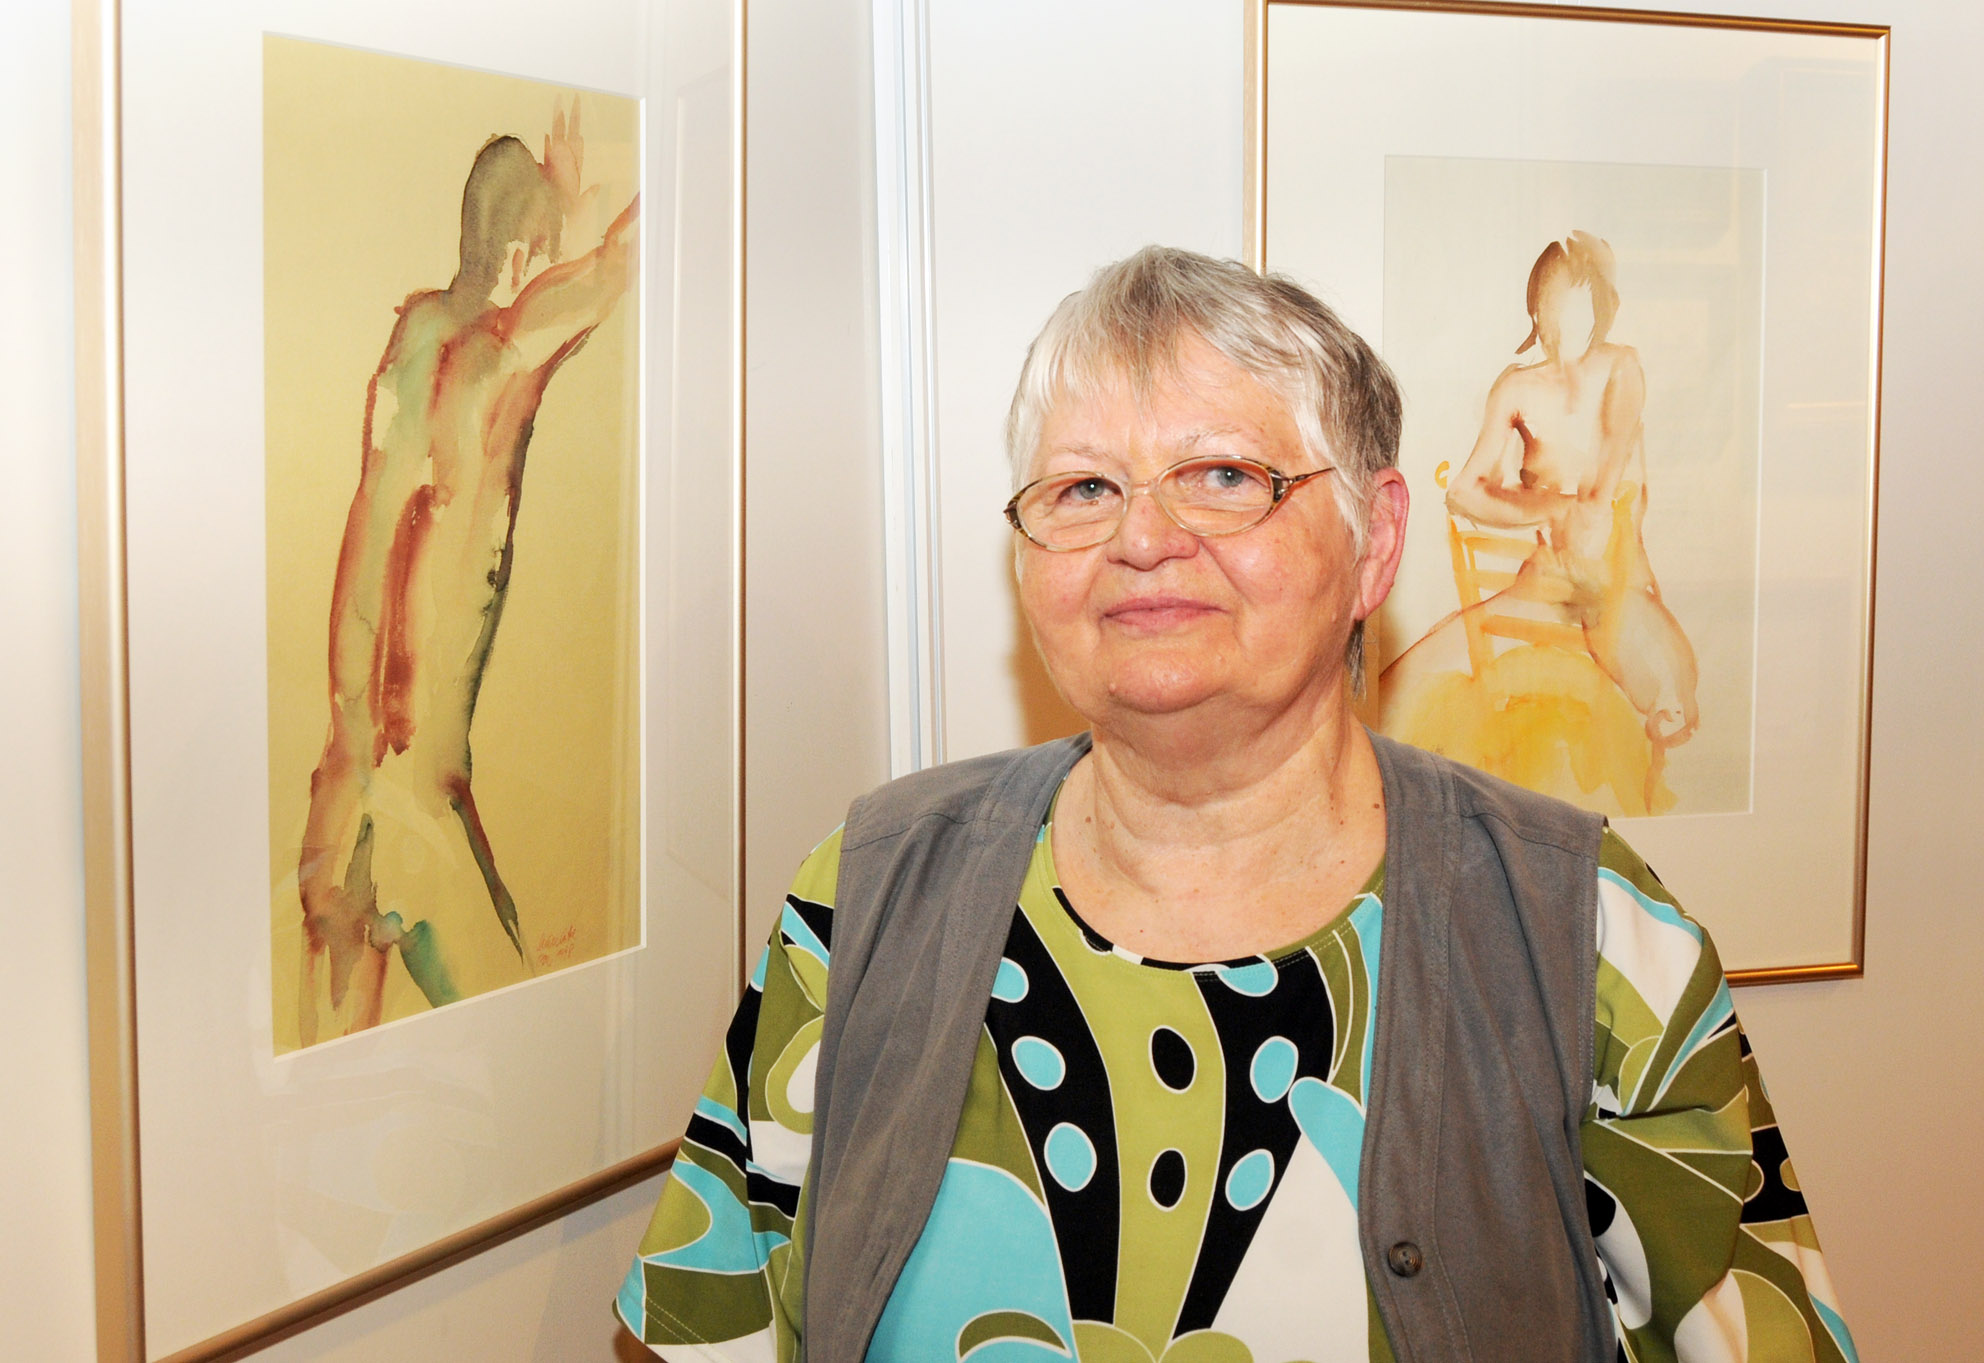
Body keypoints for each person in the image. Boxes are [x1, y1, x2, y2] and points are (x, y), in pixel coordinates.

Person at [616, 248, 1854, 1362]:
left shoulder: (1582, 930)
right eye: (1083, 488)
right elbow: (706, 1323)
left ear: (1374, 542)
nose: (1142, 537)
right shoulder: (866, 891)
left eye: (1222, 475)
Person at [296, 104, 639, 1047]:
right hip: (417, 814)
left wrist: (550, 202)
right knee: (541, 1075)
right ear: (526, 256)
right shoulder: (498, 357)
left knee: (321, 1097)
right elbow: (619, 264)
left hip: (340, 803)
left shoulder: (408, 343)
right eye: (547, 251)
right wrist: (592, 217)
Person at [1379, 231, 1699, 814]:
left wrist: (1580, 513)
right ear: (1536, 311)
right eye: (1558, 304)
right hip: (1546, 581)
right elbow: (1463, 492)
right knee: (1395, 696)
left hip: (1617, 582)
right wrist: (1550, 508)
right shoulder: (1517, 387)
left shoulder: (1622, 369)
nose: (1571, 320)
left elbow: (1603, 490)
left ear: (1601, 308)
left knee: (1668, 699)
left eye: (1584, 303)